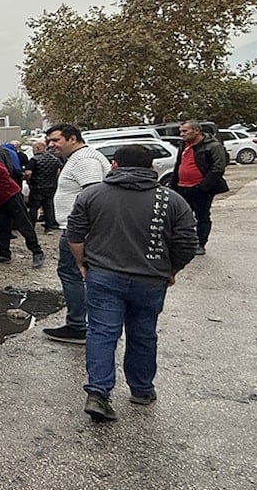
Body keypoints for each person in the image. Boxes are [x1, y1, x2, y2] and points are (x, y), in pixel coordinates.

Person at [65, 145, 198, 421]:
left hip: (103, 275)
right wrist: (171, 269)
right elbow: (187, 243)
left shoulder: (92, 195)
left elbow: (74, 234)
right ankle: (141, 389)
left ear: (114, 165)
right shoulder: (172, 200)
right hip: (150, 279)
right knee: (143, 334)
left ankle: (98, 393)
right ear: (151, 167)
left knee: (102, 333)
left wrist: (81, 263)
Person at [42, 124, 110, 344]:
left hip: (80, 229)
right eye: (49, 141)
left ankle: (78, 326)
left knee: (73, 274)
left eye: (55, 140)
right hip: (80, 228)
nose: (51, 145)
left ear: (72, 139)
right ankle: (93, 325)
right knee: (82, 274)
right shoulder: (78, 158)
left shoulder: (84, 160)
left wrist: (81, 231)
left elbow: (94, 196)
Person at [172, 121, 229, 255]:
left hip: (200, 189)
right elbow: (179, 164)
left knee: (202, 216)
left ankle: (200, 243)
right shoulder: (184, 145)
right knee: (180, 217)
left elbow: (218, 168)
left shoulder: (213, 146)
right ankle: (182, 242)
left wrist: (203, 187)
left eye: (185, 131)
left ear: (197, 131)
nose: (182, 134)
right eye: (181, 131)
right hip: (182, 187)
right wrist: (173, 184)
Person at [25, 140, 63, 231]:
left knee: (34, 207)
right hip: (50, 186)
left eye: (33, 148)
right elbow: (58, 170)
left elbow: (28, 173)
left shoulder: (34, 160)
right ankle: (49, 227)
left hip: (37, 187)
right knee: (48, 207)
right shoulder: (54, 158)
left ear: (37, 148)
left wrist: (29, 181)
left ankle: (31, 226)